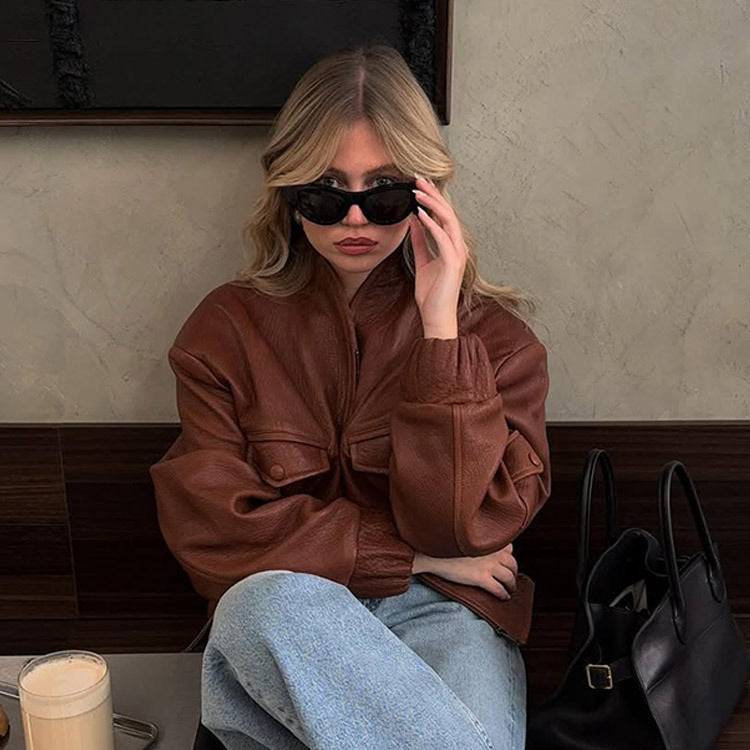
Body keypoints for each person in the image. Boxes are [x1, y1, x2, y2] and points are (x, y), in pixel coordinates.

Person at [150, 43, 551, 750]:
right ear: (289, 193)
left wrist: (440, 333)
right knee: (259, 604)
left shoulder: (496, 343)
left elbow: (465, 530)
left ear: (428, 193)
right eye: (327, 193)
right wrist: (413, 558)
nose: (356, 219)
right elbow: (211, 532)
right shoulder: (225, 330)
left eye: (385, 191)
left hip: (446, 610)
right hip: (291, 624)